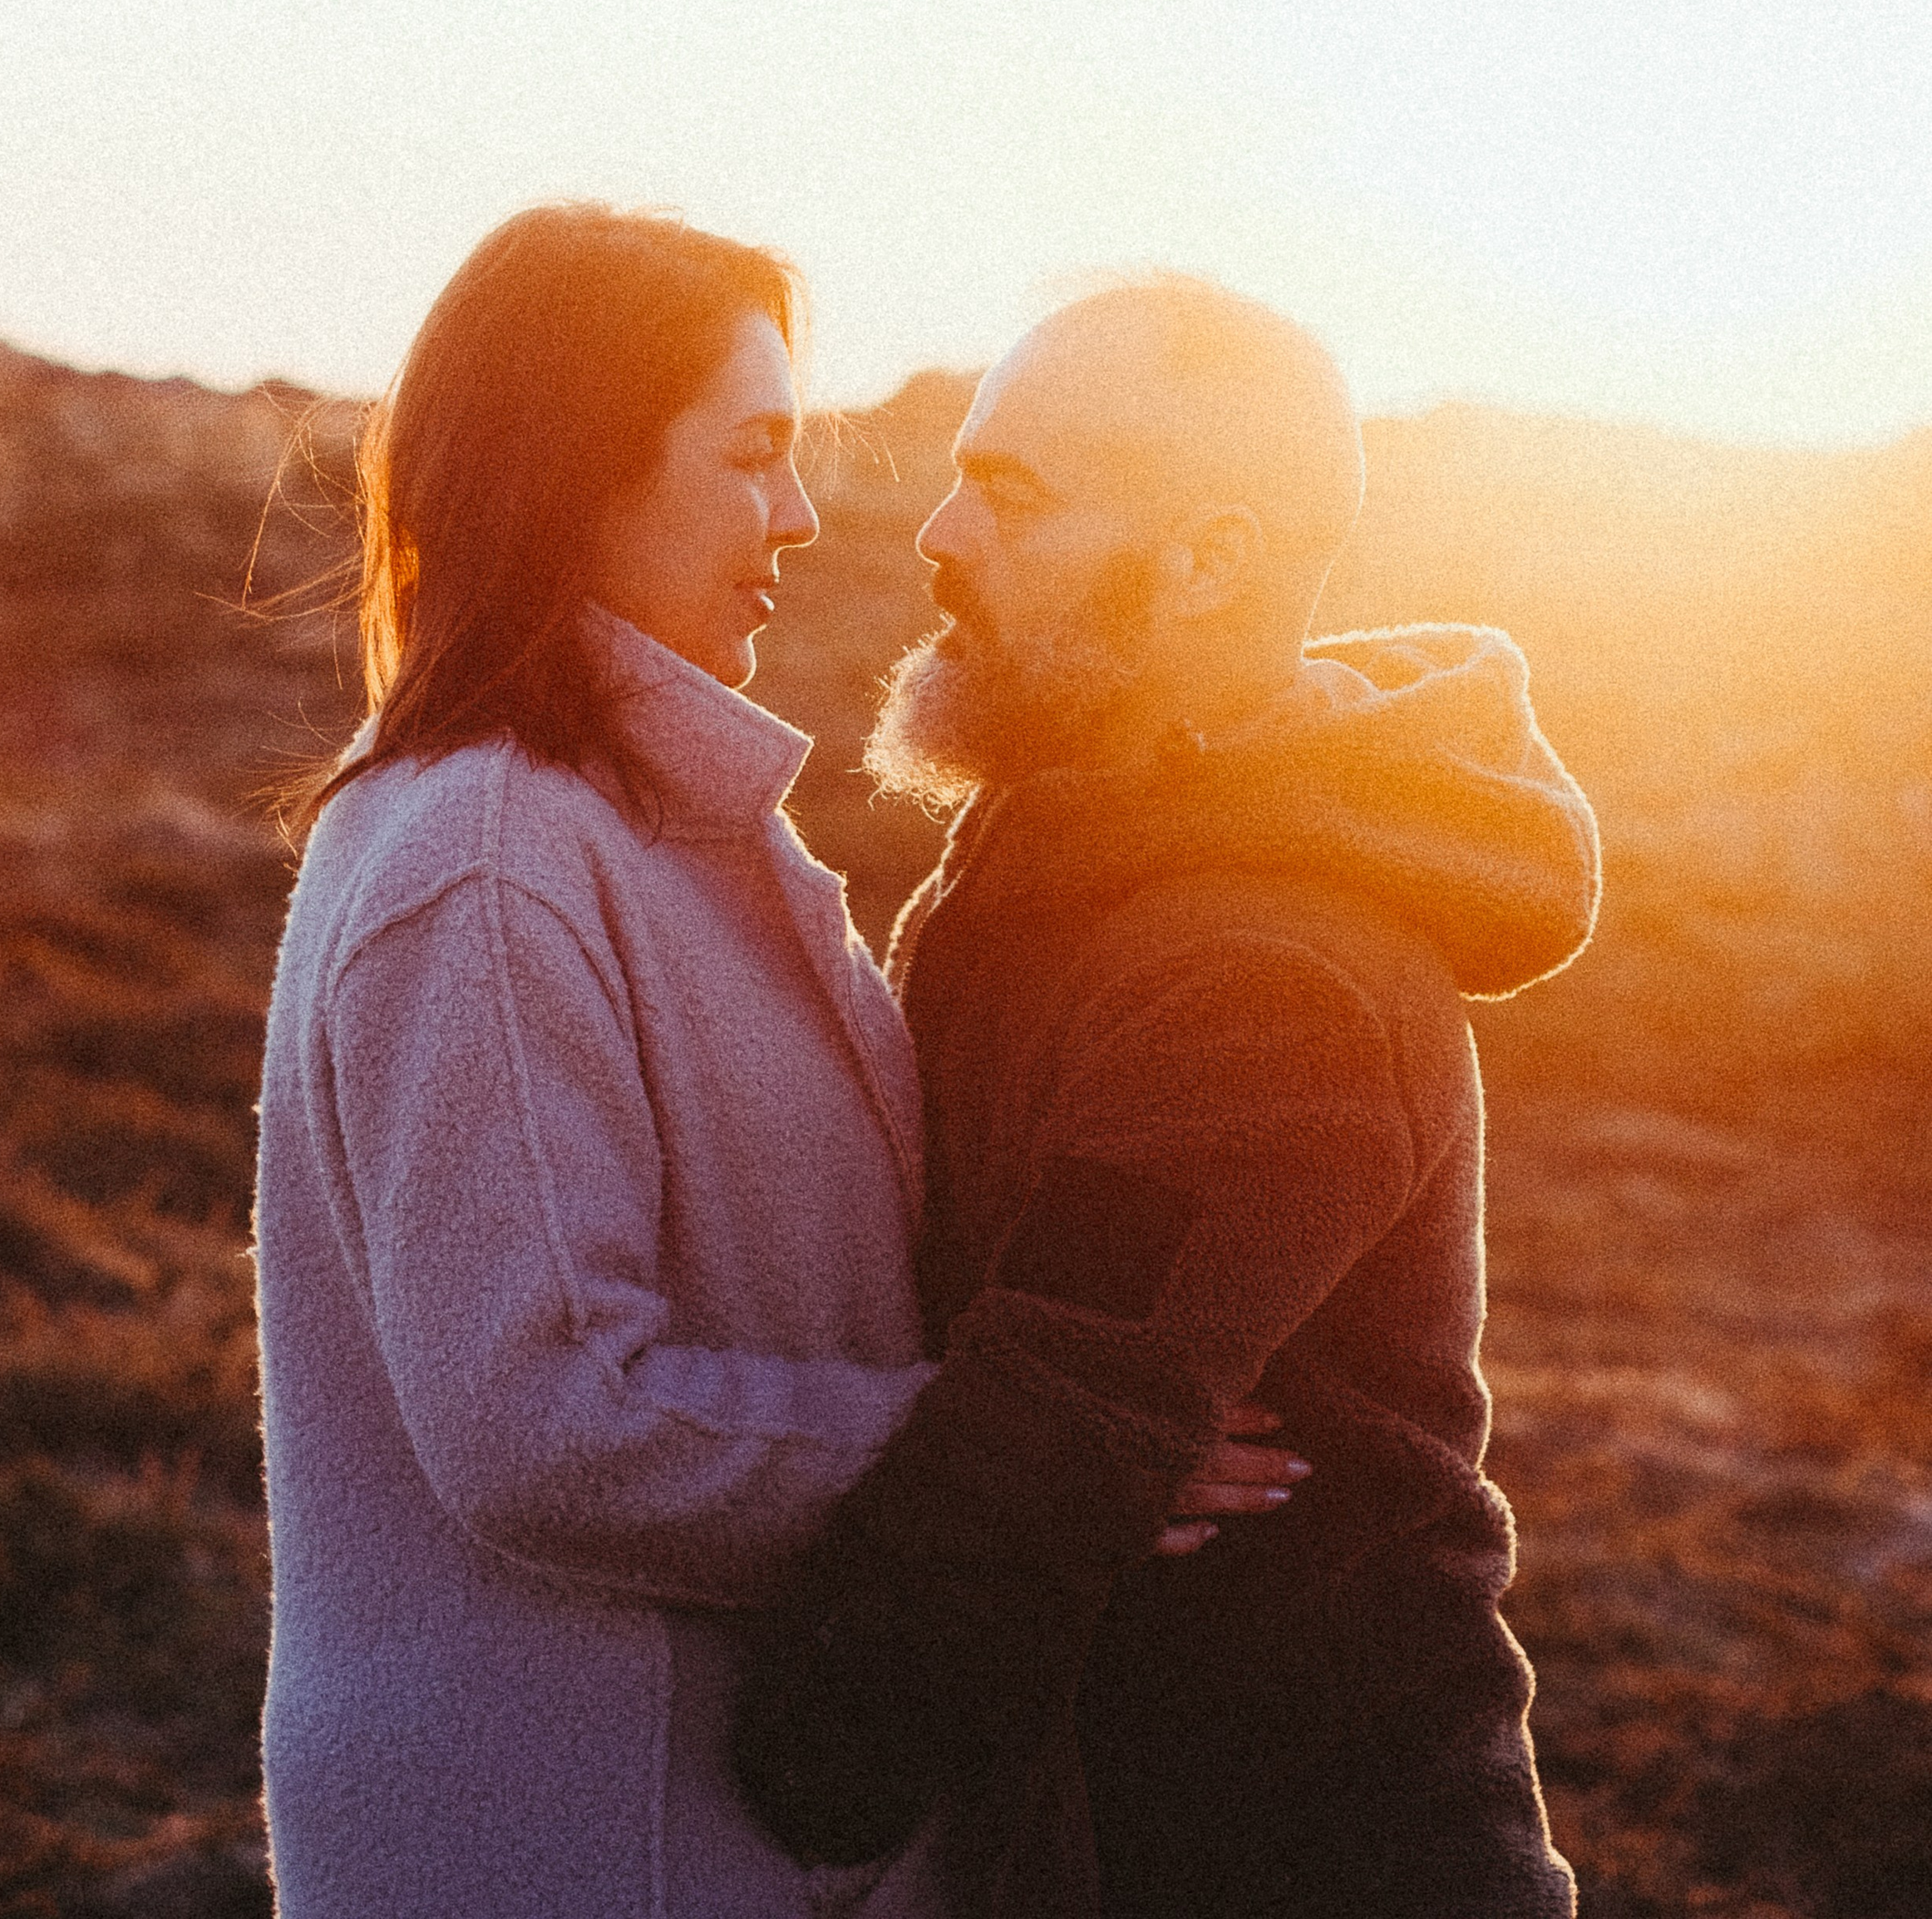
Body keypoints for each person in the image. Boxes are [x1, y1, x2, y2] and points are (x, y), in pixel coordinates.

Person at [254, 209, 1292, 1919]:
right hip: (578, 1833)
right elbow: (548, 1426)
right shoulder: (492, 860)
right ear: (571, 472)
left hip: (688, 1810)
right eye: (749, 458)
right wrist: (1033, 1467)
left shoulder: (630, 828)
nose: (799, 517)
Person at [733, 277, 1600, 1918]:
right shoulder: (1073, 853)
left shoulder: (1265, 977)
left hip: (1305, 1855)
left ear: (1204, 559)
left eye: (1007, 495)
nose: (934, 536)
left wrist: (799, 1763)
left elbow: (1057, 1411)